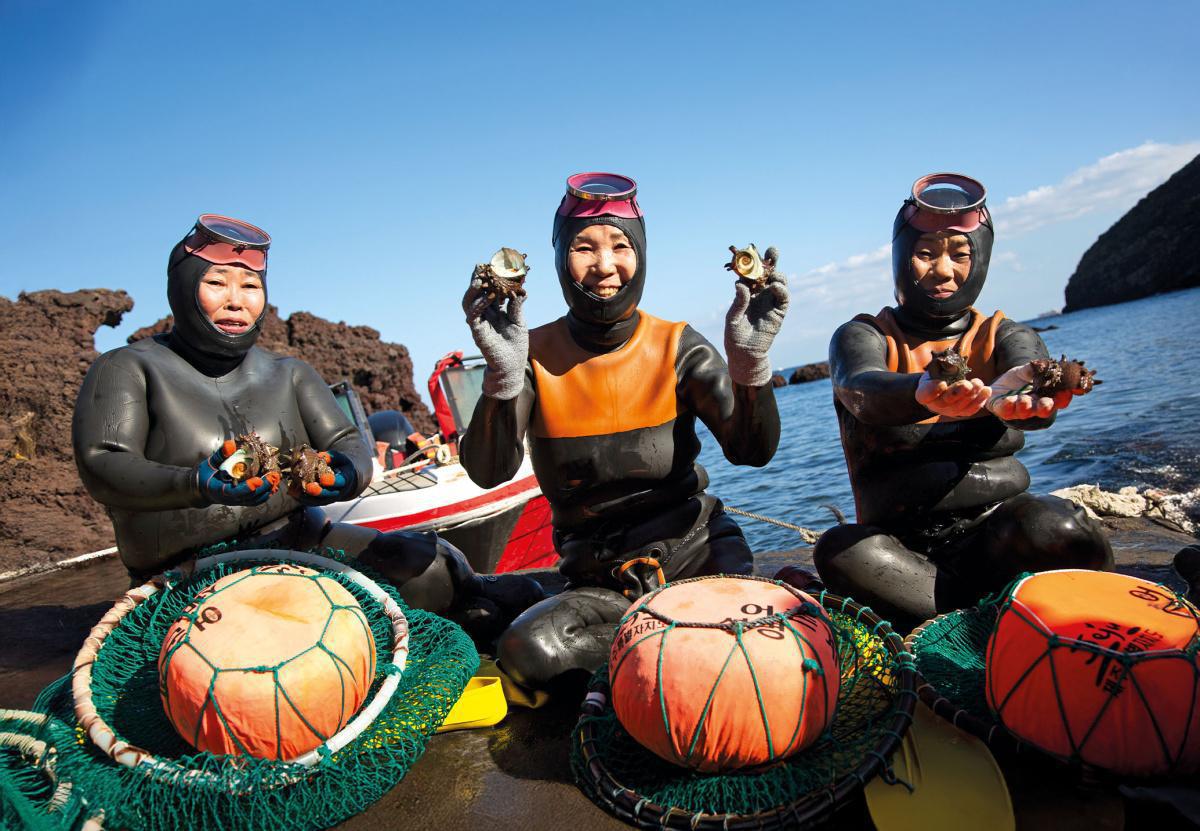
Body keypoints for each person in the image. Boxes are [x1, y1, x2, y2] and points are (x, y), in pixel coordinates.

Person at [73, 214, 541, 637]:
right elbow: (103, 464)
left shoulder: (289, 373)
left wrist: (343, 474)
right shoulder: (128, 368)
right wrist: (197, 484)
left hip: (300, 540)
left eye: (250, 287)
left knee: (430, 565)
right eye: (218, 283)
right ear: (183, 287)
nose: (236, 300)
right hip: (186, 572)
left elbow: (347, 443)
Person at [460, 172, 788, 688]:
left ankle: (665, 646)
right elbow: (487, 472)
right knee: (530, 650)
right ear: (559, 260)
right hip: (598, 583)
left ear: (641, 253)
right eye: (583, 248)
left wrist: (751, 364)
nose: (605, 266)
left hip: (700, 551)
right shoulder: (532, 356)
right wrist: (501, 377)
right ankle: (678, 645)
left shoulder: (678, 345)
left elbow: (752, 451)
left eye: (620, 245)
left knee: (744, 653)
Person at [815, 173, 1113, 627]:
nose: (943, 271)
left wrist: (1012, 400)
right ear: (900, 257)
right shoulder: (862, 336)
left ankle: (1069, 612)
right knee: (840, 551)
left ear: (982, 259)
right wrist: (921, 392)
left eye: (960, 254)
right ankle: (979, 620)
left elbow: (1037, 391)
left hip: (1003, 534)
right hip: (906, 556)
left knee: (1061, 526)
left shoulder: (1006, 336)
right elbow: (861, 387)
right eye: (925, 253)